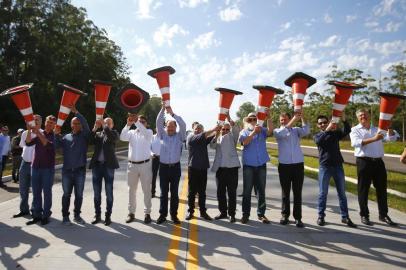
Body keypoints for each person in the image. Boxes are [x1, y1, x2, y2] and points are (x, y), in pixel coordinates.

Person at [350, 108, 398, 226]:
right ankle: (364, 215)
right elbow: (355, 143)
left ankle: (383, 215)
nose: (363, 117)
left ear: (369, 116)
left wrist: (389, 127)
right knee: (363, 190)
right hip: (364, 162)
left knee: (382, 189)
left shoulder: (377, 129)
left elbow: (391, 138)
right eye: (360, 115)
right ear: (358, 118)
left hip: (378, 163)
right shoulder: (355, 130)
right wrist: (374, 139)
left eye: (365, 115)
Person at [313, 114, 356, 227]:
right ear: (318, 125)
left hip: (338, 166)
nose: (323, 124)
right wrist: (328, 128)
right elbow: (319, 142)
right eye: (320, 123)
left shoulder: (335, 134)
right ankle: (321, 216)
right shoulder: (318, 135)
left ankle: (345, 217)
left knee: (342, 193)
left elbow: (347, 130)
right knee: (323, 193)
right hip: (325, 167)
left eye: (324, 122)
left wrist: (343, 118)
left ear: (328, 122)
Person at [55, 105, 90, 226]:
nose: (76, 125)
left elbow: (86, 125)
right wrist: (56, 134)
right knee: (66, 195)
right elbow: (55, 146)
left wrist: (76, 112)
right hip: (67, 172)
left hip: (80, 171)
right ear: (71, 125)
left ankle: (77, 215)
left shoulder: (85, 136)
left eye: (78, 123)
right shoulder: (65, 137)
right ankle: (65, 216)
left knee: (79, 195)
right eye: (74, 123)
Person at [274, 110, 309, 228]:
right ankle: (285, 215)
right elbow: (282, 133)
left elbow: (307, 130)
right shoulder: (278, 131)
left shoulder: (296, 130)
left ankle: (298, 218)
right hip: (284, 166)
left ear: (289, 119)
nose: (283, 121)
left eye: (285, 119)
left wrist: (302, 117)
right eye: (281, 120)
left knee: (297, 193)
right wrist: (294, 119)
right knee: (285, 193)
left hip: (298, 165)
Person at [239, 111, 272, 224]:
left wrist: (269, 118)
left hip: (261, 164)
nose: (252, 121)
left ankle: (261, 214)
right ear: (247, 121)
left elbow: (270, 131)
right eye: (250, 119)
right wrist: (253, 132)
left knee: (261, 191)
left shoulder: (262, 130)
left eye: (254, 119)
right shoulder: (243, 131)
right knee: (247, 191)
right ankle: (245, 214)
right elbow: (245, 143)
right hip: (249, 165)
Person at [155, 104, 186, 224]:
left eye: (172, 127)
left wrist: (172, 113)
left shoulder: (180, 136)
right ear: (165, 127)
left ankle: (174, 215)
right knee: (163, 193)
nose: (170, 129)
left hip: (175, 168)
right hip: (163, 168)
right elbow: (158, 121)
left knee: (174, 194)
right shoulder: (162, 135)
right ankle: (162, 215)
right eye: (168, 127)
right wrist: (162, 109)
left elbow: (182, 124)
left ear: (175, 128)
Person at [120, 113, 153, 224]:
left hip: (145, 165)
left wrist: (137, 122)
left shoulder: (148, 132)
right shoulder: (131, 133)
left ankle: (147, 213)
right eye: (139, 121)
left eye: (143, 121)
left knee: (146, 190)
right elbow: (122, 137)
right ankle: (131, 213)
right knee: (131, 191)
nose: (140, 123)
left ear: (146, 123)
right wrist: (128, 124)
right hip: (132, 166)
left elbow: (143, 131)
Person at [25, 115, 57, 226]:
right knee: (36, 192)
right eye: (48, 122)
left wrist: (38, 132)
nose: (49, 124)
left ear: (54, 125)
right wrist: (29, 130)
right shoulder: (40, 133)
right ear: (45, 123)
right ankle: (36, 215)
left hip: (47, 169)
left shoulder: (55, 135)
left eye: (52, 123)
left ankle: (46, 215)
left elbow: (47, 144)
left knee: (47, 192)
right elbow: (28, 143)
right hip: (35, 167)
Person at [210, 113, 241, 223]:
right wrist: (217, 133)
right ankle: (223, 212)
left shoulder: (233, 137)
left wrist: (228, 117)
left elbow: (236, 129)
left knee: (232, 193)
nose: (225, 131)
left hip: (232, 169)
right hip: (220, 169)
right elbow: (212, 146)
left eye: (227, 129)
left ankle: (232, 214)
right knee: (220, 192)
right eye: (224, 129)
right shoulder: (217, 138)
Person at [89, 117, 119, 226]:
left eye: (108, 123)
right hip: (97, 166)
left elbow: (111, 137)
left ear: (112, 125)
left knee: (109, 193)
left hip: (108, 166)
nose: (105, 124)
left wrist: (104, 126)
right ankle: (97, 215)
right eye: (104, 123)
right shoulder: (98, 134)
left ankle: (108, 216)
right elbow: (88, 141)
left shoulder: (114, 133)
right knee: (97, 193)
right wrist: (95, 127)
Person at [186, 123, 219, 221]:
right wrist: (213, 128)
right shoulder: (191, 138)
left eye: (199, 129)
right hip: (193, 168)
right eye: (196, 129)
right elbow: (205, 135)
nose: (197, 130)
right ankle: (190, 211)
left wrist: (217, 131)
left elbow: (213, 136)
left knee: (202, 192)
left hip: (203, 168)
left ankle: (203, 212)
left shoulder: (203, 139)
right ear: (193, 130)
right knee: (192, 192)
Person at [12, 115, 42, 218]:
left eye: (37, 120)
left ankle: (35, 211)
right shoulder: (25, 133)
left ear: (41, 122)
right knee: (23, 189)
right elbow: (23, 146)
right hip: (24, 163)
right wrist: (29, 131)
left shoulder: (42, 133)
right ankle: (24, 210)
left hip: (37, 165)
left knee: (35, 190)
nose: (35, 122)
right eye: (33, 120)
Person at [151, 128, 161, 199]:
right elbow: (149, 148)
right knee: (153, 176)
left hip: (163, 159)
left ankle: (163, 193)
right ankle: (152, 192)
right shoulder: (152, 137)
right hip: (154, 158)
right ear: (156, 129)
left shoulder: (165, 137)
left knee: (163, 177)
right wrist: (152, 154)